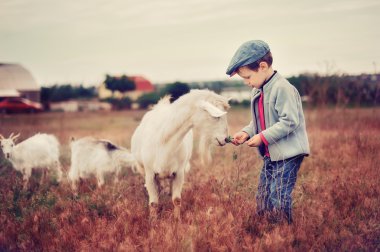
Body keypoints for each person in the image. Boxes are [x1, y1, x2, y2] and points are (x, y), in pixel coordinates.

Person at [226, 40, 310, 224]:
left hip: (288, 153)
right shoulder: (258, 91)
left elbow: (290, 121)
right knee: (263, 196)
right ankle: (265, 230)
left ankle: (283, 235)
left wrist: (262, 137)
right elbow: (258, 122)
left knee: (278, 195)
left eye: (247, 77)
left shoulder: (282, 88)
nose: (246, 82)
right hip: (271, 153)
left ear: (262, 66)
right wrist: (247, 132)